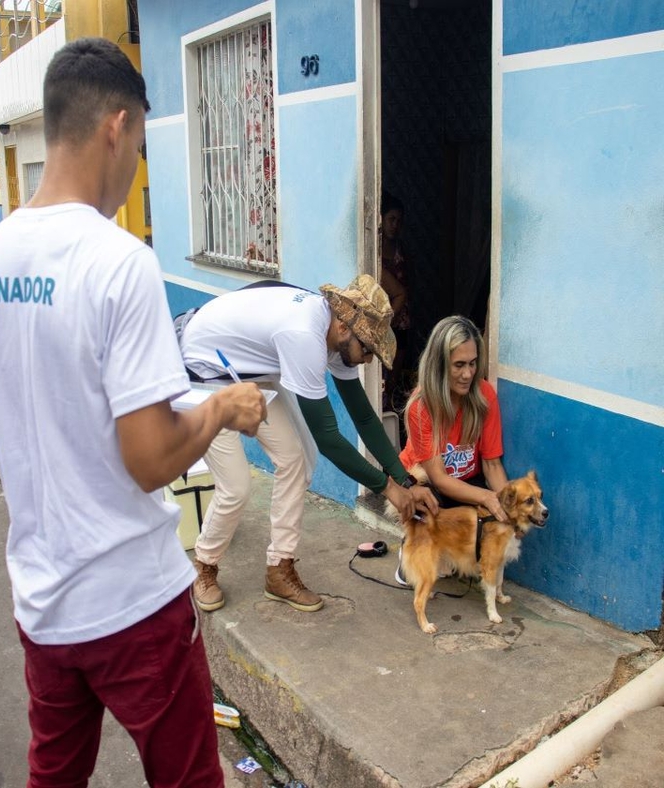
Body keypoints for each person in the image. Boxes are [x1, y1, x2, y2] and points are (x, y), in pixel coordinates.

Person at [0, 38, 265, 788]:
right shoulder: (117, 260)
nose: (134, 169)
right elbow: (150, 457)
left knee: (54, 776)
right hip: (134, 604)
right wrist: (219, 406)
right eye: (143, 145)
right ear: (115, 127)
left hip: (45, 606)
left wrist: (51, 409)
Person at [179, 274, 439, 614]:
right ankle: (204, 567)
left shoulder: (335, 331)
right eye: (369, 349)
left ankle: (279, 569)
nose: (369, 360)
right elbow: (329, 439)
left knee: (296, 461)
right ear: (346, 329)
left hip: (250, 369)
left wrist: (406, 479)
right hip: (205, 371)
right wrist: (388, 489)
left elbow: (363, 417)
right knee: (236, 487)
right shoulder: (304, 336)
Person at [399, 315, 508, 521]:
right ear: (439, 366)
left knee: (496, 521)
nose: (468, 374)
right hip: (425, 483)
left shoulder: (485, 395)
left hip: (467, 481)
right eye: (459, 365)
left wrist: (507, 505)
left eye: (472, 363)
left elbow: (492, 465)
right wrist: (487, 497)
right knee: (431, 523)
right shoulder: (421, 406)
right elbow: (439, 478)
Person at [379, 191, 411, 411]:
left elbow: (409, 283)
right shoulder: (373, 250)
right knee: (378, 375)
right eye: (391, 219)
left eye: (399, 221)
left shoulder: (402, 250)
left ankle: (389, 412)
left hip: (402, 320)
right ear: (380, 219)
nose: (395, 225)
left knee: (393, 377)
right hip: (381, 321)